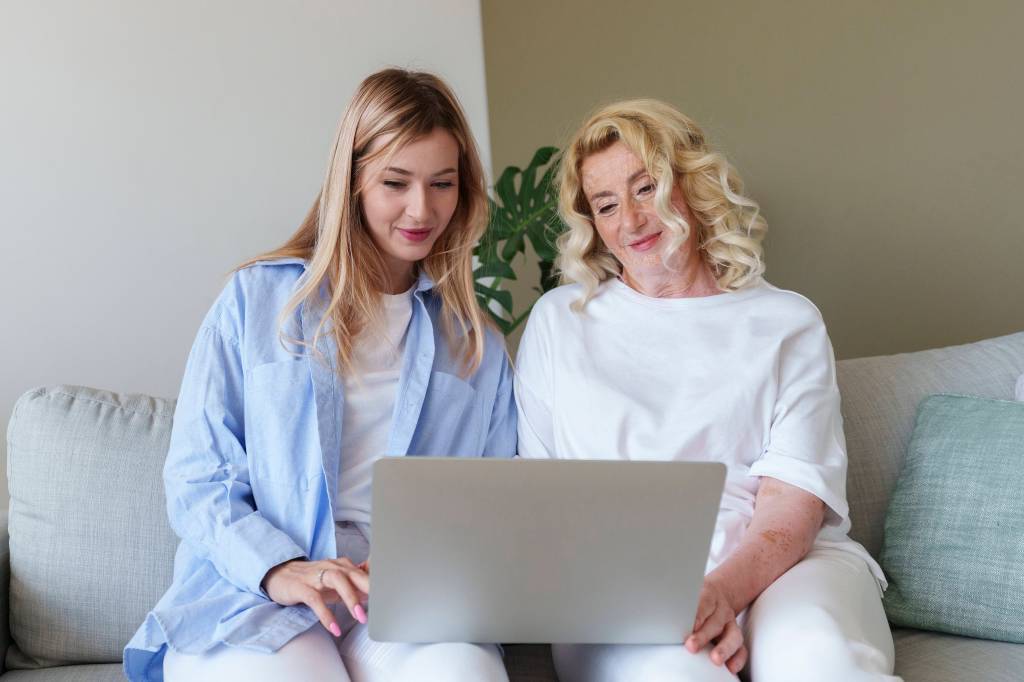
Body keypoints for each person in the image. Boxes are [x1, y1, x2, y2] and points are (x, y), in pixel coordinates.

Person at [123, 69, 516, 682]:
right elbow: (199, 477)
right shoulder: (257, 302)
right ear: (353, 180)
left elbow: (495, 502)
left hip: (400, 604)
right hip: (253, 593)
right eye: (396, 183)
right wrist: (279, 569)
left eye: (442, 184)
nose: (423, 209)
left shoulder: (476, 345)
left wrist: (426, 570)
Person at [514, 99, 900, 681]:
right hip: (624, 588)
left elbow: (792, 501)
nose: (631, 222)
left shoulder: (785, 321)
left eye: (646, 188)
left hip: (785, 566)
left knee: (821, 655)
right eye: (607, 205)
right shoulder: (559, 323)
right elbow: (542, 500)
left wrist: (722, 590)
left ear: (690, 184)